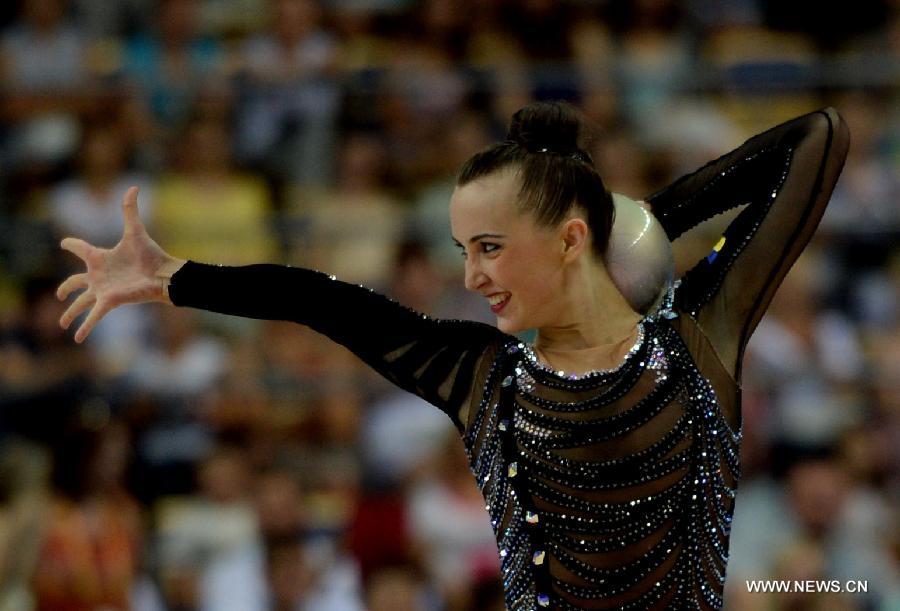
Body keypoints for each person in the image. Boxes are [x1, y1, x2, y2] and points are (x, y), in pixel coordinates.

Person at [57, 102, 849, 609]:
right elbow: (324, 299)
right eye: (464, 249)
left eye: (492, 248)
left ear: (570, 239)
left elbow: (815, 141)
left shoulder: (699, 336)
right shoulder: (480, 373)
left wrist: (635, 224)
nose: (472, 277)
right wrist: (175, 278)